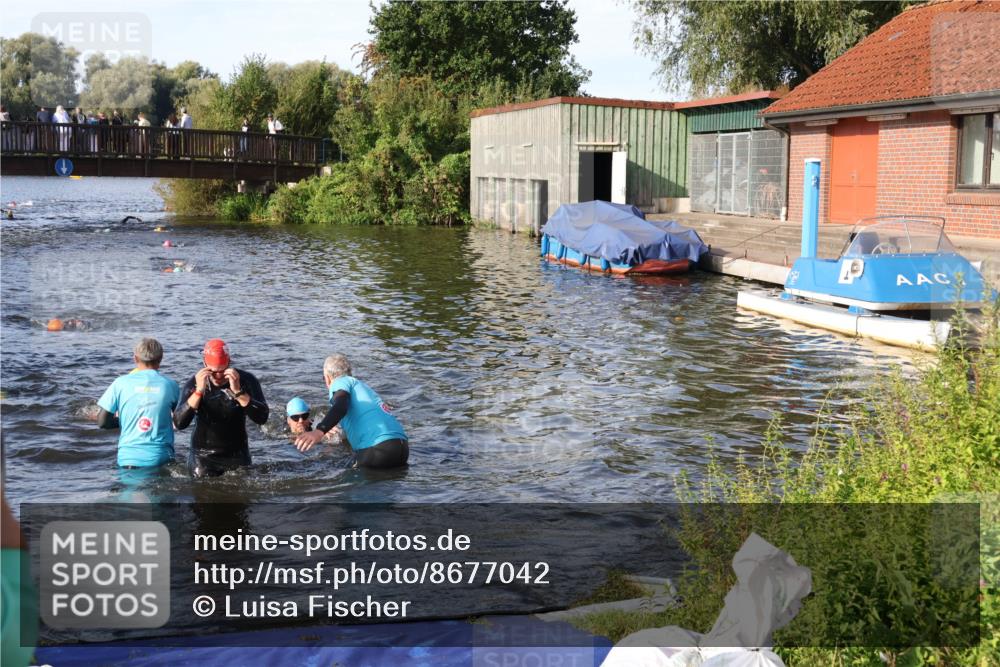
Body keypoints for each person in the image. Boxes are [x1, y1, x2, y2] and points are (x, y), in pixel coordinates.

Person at [173, 339, 268, 477]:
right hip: (202, 456)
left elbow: (262, 418)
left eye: (222, 371)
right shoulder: (194, 384)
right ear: (205, 364)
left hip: (238, 454)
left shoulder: (246, 380)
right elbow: (179, 423)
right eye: (213, 371)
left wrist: (238, 392)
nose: (218, 376)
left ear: (229, 362)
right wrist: (199, 391)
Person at [294, 354, 408, 468]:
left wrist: (319, 431)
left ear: (328, 377)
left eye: (324, 378)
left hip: (378, 448)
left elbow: (341, 405)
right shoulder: (363, 387)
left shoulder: (339, 382)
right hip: (402, 448)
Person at [96, 338, 181, 468]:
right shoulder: (170, 385)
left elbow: (102, 422)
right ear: (161, 359)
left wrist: (124, 421)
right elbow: (180, 420)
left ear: (135, 359)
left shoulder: (120, 383)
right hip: (160, 457)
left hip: (128, 458)